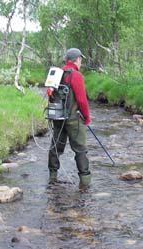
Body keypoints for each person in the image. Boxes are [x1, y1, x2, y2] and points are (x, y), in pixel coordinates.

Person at [48, 48, 92, 188]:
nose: (81, 63)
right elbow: (82, 100)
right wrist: (86, 118)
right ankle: (85, 183)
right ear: (77, 59)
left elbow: (50, 95)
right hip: (73, 120)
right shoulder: (76, 75)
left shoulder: (57, 74)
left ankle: (52, 177)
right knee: (80, 149)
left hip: (58, 118)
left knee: (56, 147)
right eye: (80, 60)